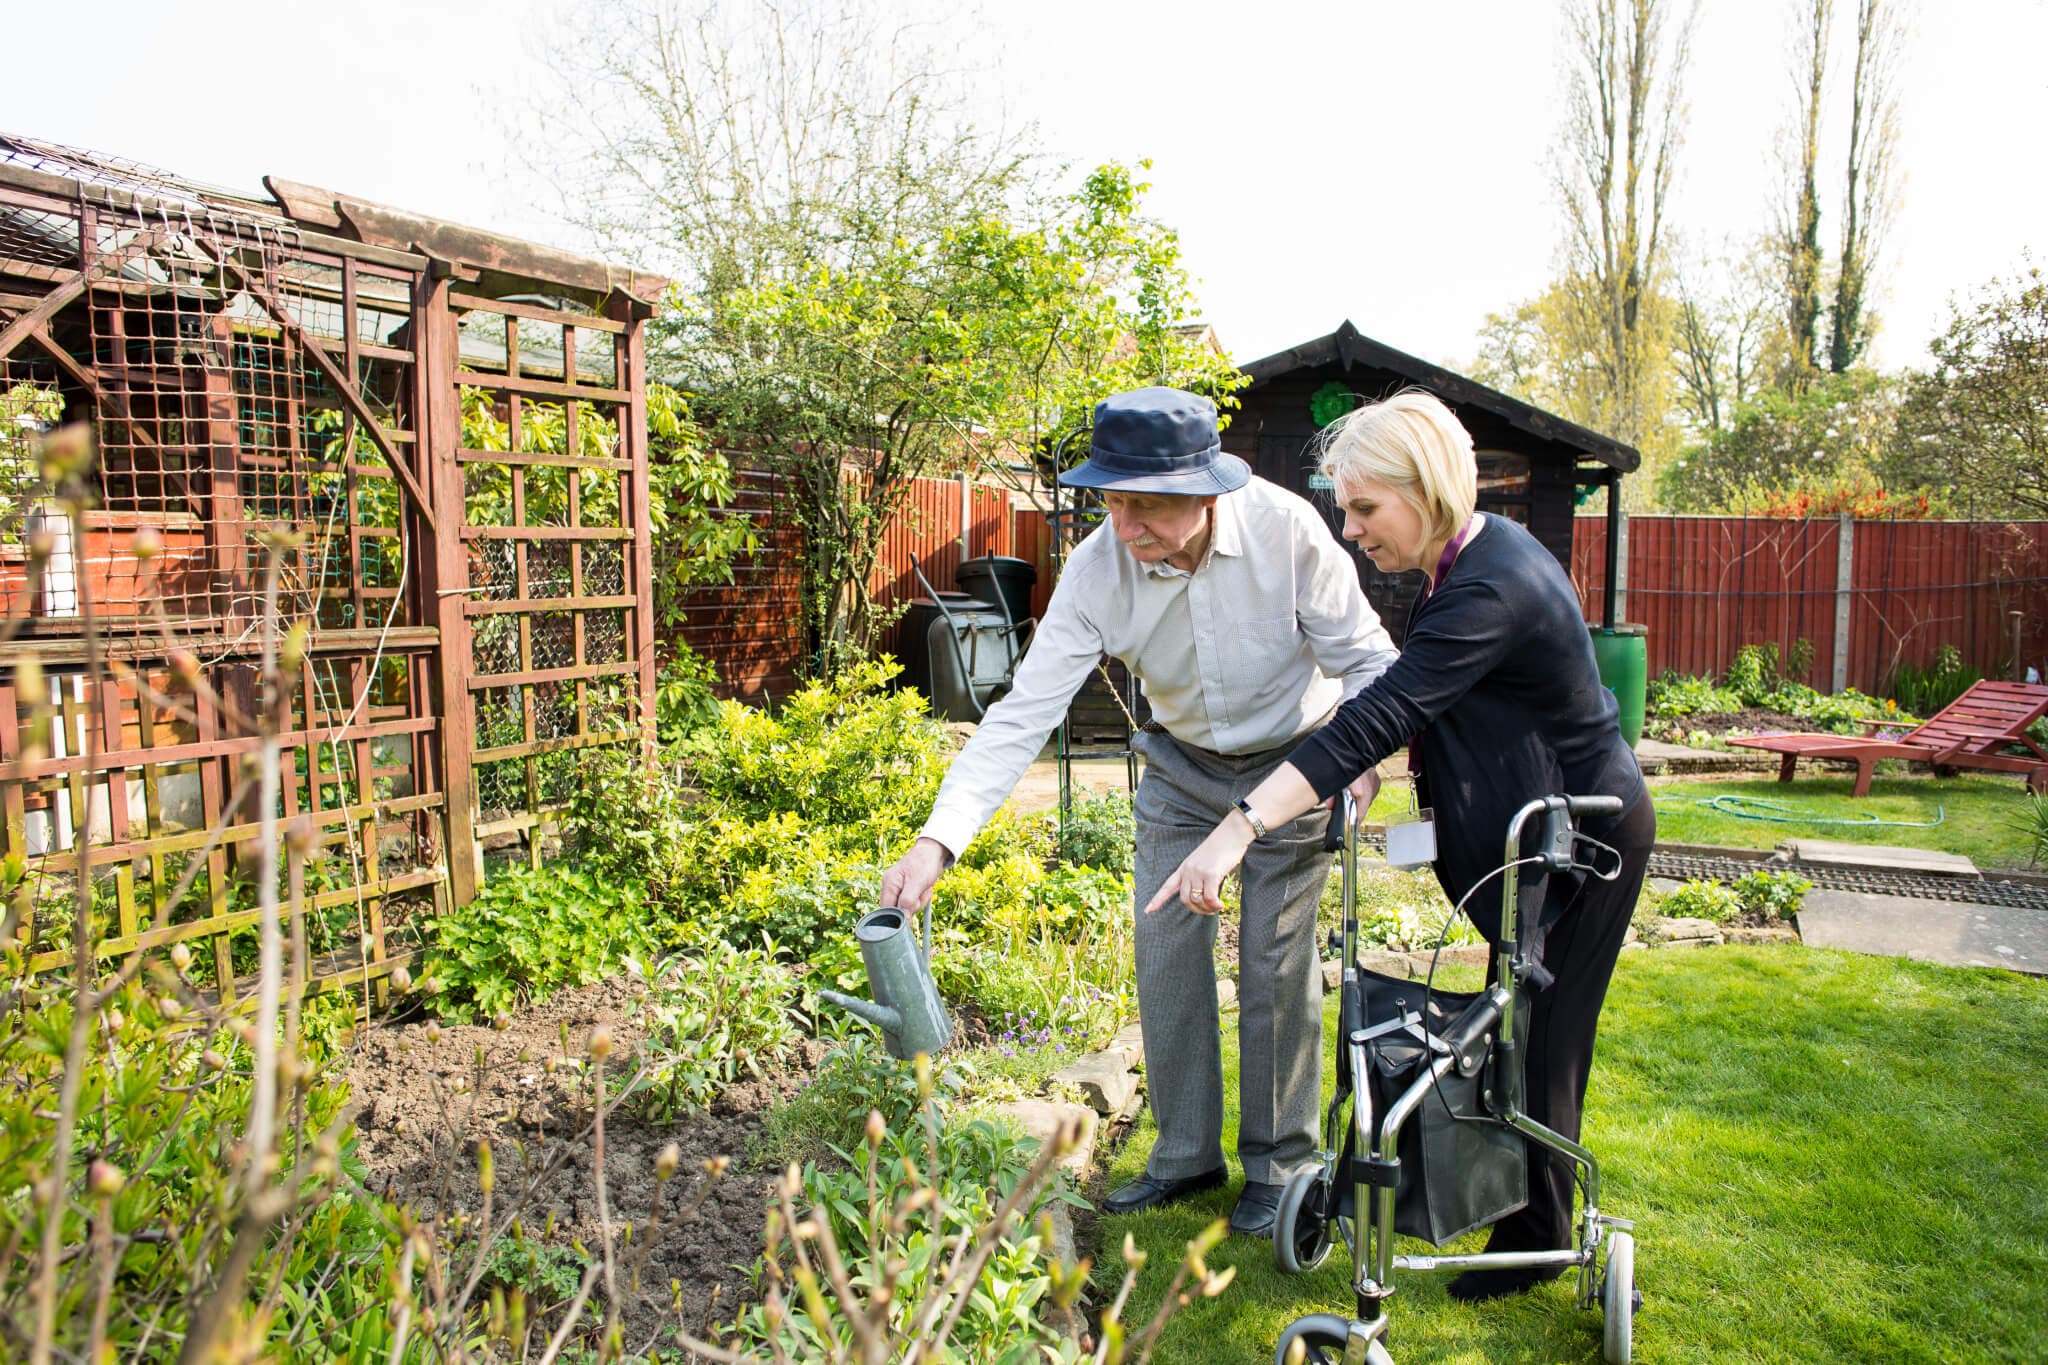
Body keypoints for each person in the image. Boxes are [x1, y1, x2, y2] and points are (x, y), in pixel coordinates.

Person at [1145, 389, 1654, 1300]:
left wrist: (1237, 827)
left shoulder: (1492, 583)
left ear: (1425, 490)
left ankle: (1539, 1236)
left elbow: (1375, 715)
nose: (1350, 529)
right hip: (1529, 845)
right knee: (1519, 1026)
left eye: (1366, 507)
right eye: (1345, 507)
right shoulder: (1464, 565)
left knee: (1543, 1037)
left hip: (1582, 844)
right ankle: (1528, 1222)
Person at [880, 385, 1399, 1237]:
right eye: (1111, 502)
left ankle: (1279, 1165)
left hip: (1295, 764)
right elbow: (1021, 713)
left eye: (1145, 506)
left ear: (1205, 492)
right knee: (1163, 951)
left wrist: (1358, 766)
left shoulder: (1289, 533)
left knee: (1275, 963)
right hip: (1181, 768)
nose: (1123, 528)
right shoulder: (1095, 568)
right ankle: (1187, 1154)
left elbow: (1371, 662)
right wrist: (939, 842)